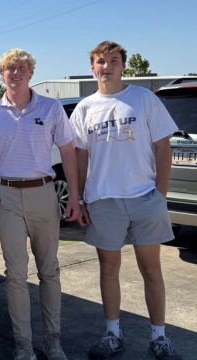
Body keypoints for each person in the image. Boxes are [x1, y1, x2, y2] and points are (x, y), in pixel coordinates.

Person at [70, 41, 182, 360]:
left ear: (123, 66)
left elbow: (163, 147)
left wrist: (159, 195)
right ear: (92, 67)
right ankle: (112, 334)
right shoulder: (85, 108)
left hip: (144, 198)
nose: (106, 66)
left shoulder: (143, 99)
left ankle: (159, 337)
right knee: (109, 268)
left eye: (113, 61)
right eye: (100, 61)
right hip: (104, 200)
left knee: (151, 269)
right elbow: (80, 155)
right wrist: (78, 197)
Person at [0, 48, 81, 360]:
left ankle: (53, 343)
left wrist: (75, 196)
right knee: (16, 274)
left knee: (49, 271)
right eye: (8, 69)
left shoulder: (51, 107)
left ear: (31, 72)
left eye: (20, 68)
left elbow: (68, 151)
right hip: (6, 197)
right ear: (2, 75)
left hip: (44, 194)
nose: (14, 73)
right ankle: (24, 346)